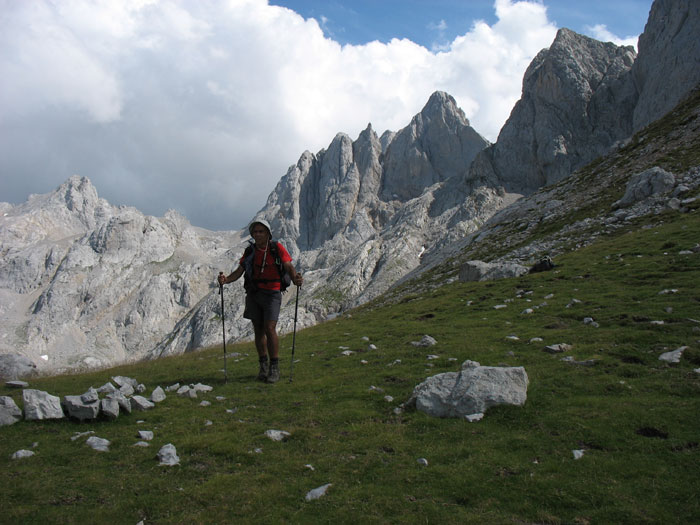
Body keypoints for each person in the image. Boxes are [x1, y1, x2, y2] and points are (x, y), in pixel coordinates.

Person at [218, 219, 302, 383]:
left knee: (270, 328)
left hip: (272, 293)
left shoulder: (276, 248)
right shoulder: (250, 251)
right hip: (254, 293)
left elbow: (288, 266)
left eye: (260, 231)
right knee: (258, 329)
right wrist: (226, 280)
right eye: (255, 232)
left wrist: (295, 278)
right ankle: (263, 366)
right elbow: (240, 271)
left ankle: (274, 367)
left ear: (268, 234)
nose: (257, 234)